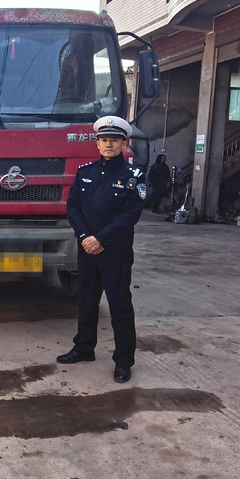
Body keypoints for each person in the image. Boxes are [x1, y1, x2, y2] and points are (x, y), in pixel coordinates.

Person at [58, 115, 145, 383]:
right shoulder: (85, 172)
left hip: (115, 253)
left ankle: (123, 361)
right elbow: (73, 206)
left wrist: (100, 239)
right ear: (97, 144)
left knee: (119, 305)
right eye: (104, 140)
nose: (109, 144)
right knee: (86, 301)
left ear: (124, 143)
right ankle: (84, 348)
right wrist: (86, 236)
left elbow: (130, 215)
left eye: (114, 140)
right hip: (87, 250)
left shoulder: (133, 176)